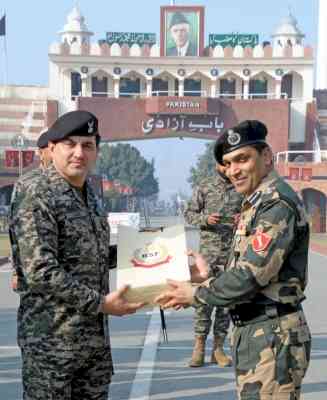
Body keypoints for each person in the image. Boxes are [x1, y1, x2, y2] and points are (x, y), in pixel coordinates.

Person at [156, 120, 311, 399]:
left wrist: (195, 293)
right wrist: (207, 277)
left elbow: (250, 277)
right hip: (257, 334)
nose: (233, 171)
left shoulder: (276, 205)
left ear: (266, 157)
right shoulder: (255, 202)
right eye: (227, 164)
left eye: (242, 159)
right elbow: (245, 269)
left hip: (272, 336)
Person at [9, 110, 144, 400]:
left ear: (96, 151)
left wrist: (156, 256)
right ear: (53, 148)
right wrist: (100, 303)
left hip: (92, 344)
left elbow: (93, 255)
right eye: (70, 144)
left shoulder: (89, 195)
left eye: (88, 145)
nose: (79, 153)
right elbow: (41, 270)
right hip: (52, 343)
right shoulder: (37, 191)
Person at [184, 164, 242, 367]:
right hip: (207, 257)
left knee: (226, 304)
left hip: (232, 256)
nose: (228, 168)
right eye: (223, 164)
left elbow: (254, 217)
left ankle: (218, 349)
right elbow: (189, 214)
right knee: (203, 303)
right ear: (217, 164)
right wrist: (205, 219)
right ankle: (198, 347)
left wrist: (241, 220)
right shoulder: (205, 186)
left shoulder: (241, 187)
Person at [10, 129, 52, 291]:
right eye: (51, 148)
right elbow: (17, 231)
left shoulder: (75, 182)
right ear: (41, 153)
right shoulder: (28, 183)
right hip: (38, 279)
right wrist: (16, 271)